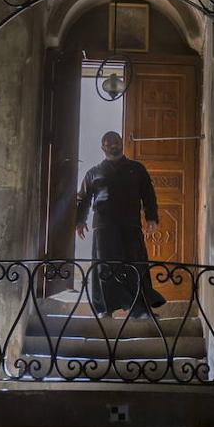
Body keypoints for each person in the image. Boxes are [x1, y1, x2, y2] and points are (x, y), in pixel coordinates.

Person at [74, 130, 167, 318]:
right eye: (108, 143)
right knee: (105, 267)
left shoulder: (137, 169)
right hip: (103, 226)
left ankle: (140, 309)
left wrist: (151, 217)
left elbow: (148, 194)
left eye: (116, 141)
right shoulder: (93, 173)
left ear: (122, 143)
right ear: (102, 147)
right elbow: (83, 199)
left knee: (135, 264)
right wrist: (80, 221)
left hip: (130, 223)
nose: (113, 145)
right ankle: (105, 309)